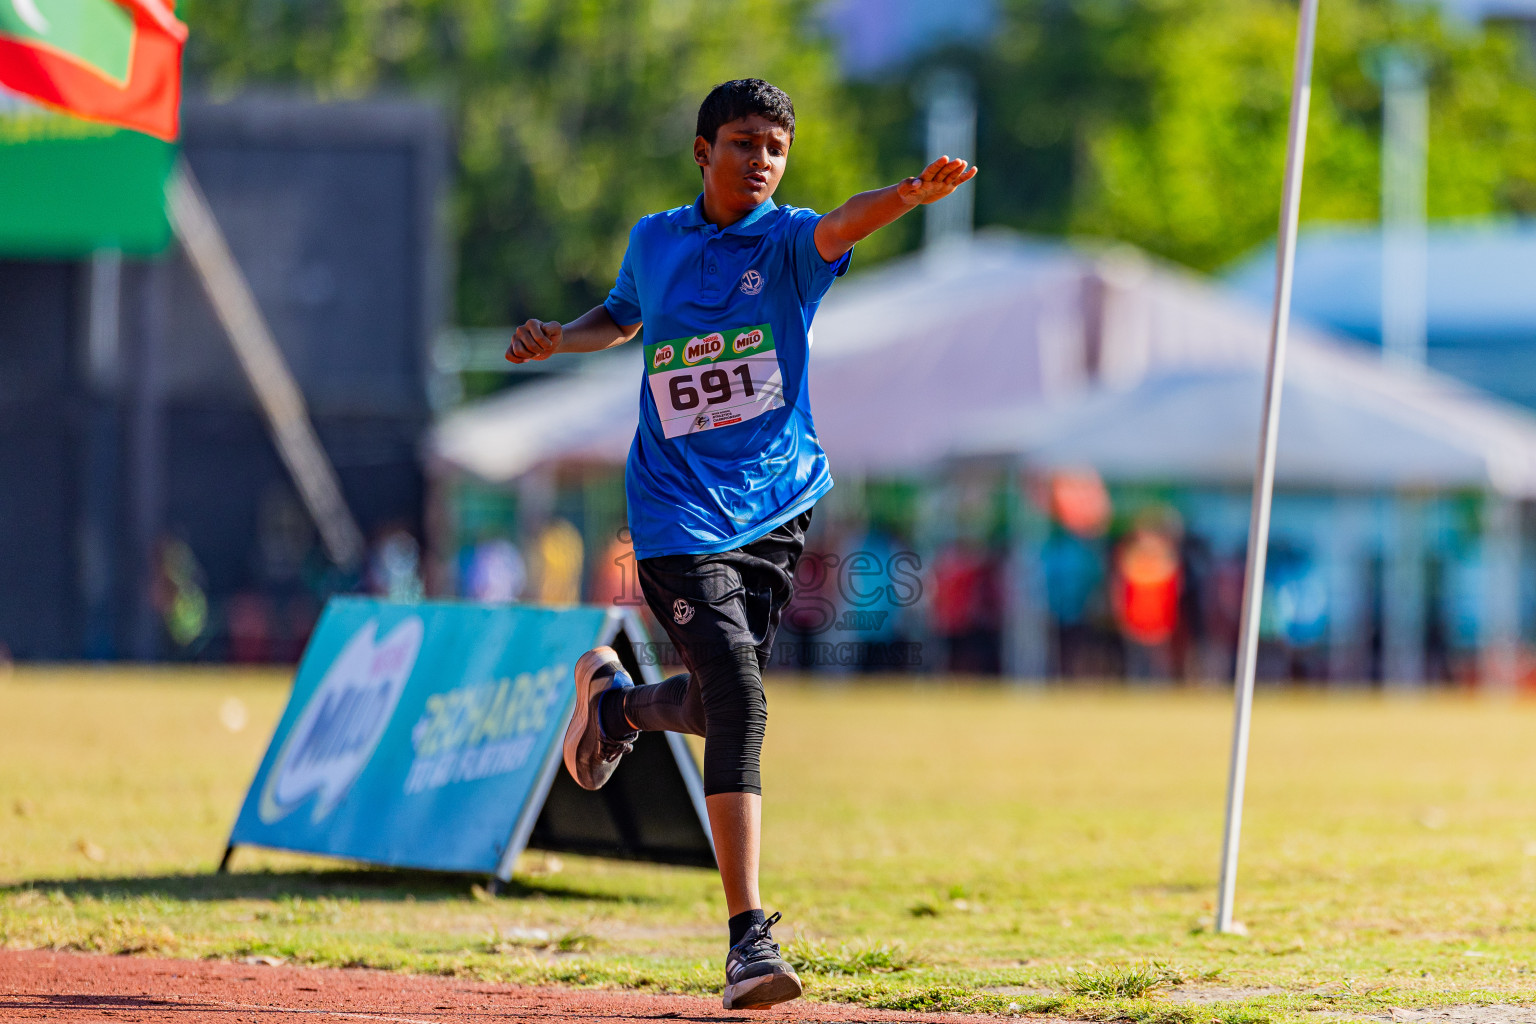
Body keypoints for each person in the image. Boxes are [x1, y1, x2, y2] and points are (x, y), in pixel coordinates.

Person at [507, 79, 976, 1010]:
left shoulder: (789, 244)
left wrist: (906, 196)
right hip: (675, 511)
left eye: (775, 148)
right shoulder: (655, 239)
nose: (761, 160)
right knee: (744, 705)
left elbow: (842, 223)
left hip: (776, 508)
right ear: (702, 151)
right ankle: (748, 942)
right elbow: (623, 315)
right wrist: (562, 338)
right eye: (743, 142)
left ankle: (617, 708)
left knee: (723, 703)